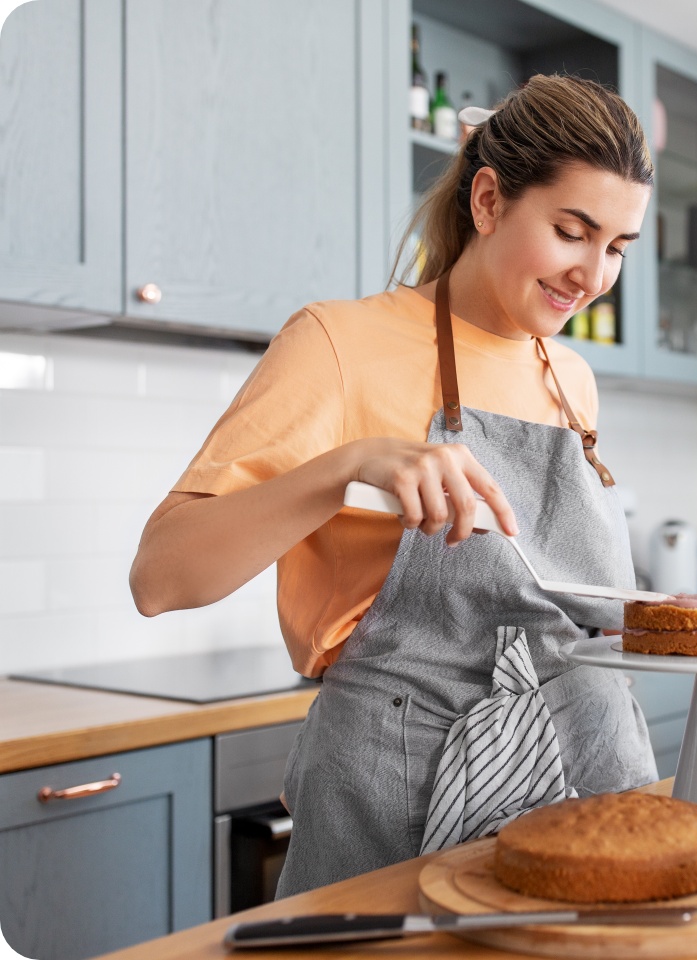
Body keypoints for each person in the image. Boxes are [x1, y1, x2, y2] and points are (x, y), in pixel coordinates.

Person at [129, 74, 659, 896]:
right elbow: (161, 577)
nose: (593, 275)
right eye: (571, 232)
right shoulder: (339, 343)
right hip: (400, 792)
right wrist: (348, 465)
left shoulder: (571, 377)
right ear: (488, 200)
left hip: (587, 775)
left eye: (619, 247)